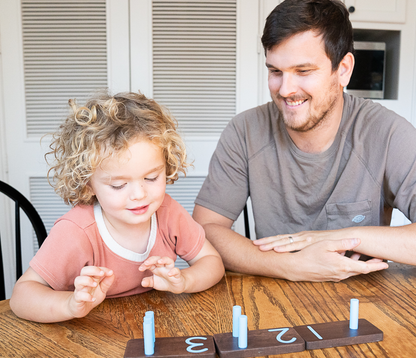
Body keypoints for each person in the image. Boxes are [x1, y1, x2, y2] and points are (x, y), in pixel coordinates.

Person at [193, 0, 416, 282]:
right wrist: (291, 266)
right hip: (273, 299)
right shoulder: (245, 131)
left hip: (364, 305)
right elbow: (205, 229)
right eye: (275, 71)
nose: (285, 90)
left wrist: (337, 238)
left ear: (344, 69)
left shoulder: (388, 133)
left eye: (303, 71)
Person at [10, 91, 224, 323]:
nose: (139, 195)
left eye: (151, 178)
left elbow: (212, 262)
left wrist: (185, 281)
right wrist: (69, 305)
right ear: (88, 183)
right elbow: (22, 296)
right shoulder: (76, 232)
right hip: (90, 334)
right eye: (119, 185)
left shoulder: (168, 212)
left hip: (151, 325)